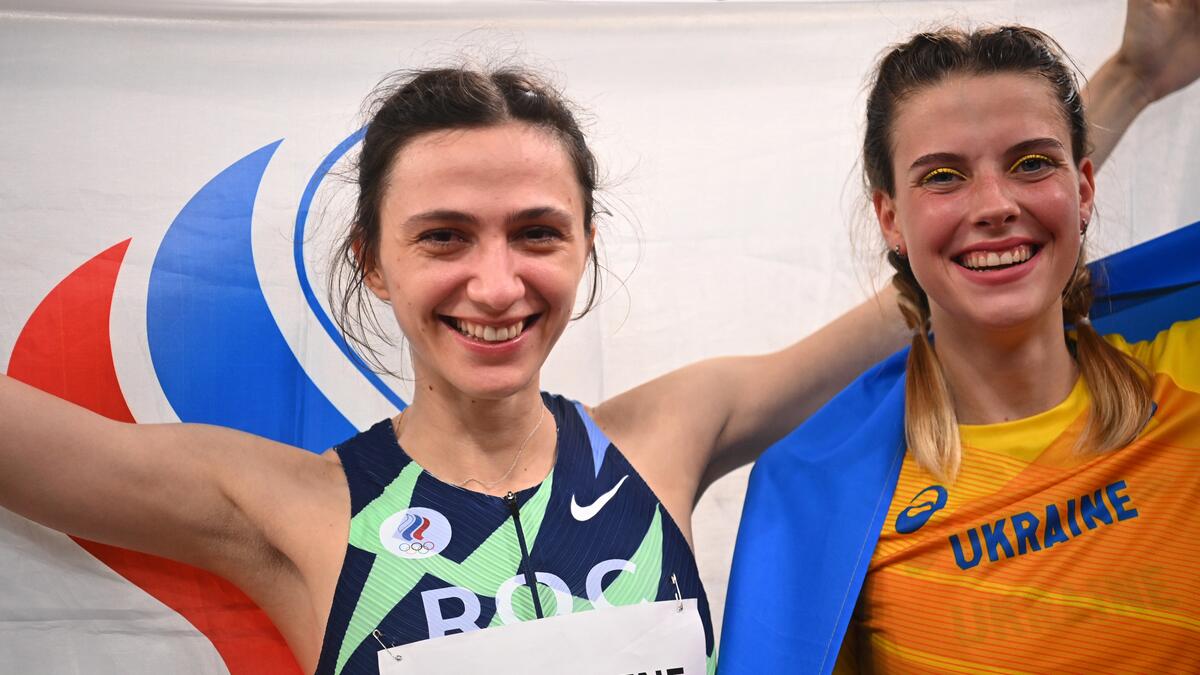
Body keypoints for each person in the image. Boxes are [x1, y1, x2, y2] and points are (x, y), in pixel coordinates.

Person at [0, 5, 1192, 675]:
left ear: (582, 250)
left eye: (536, 233)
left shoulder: (662, 440)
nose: (496, 281)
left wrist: (1128, 83)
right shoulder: (297, 507)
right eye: (443, 237)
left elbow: (943, 270)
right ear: (373, 260)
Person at [720, 5, 1200, 674]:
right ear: (890, 218)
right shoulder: (819, 496)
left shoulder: (1188, 368)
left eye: (1032, 163)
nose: (995, 205)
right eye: (943, 176)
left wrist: (1137, 75)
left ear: (1083, 188)